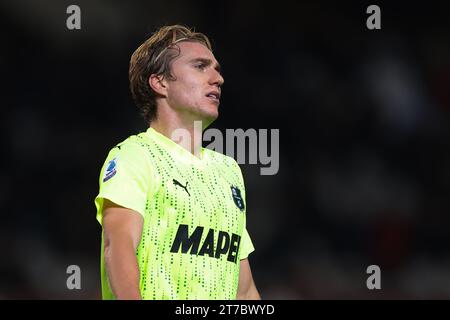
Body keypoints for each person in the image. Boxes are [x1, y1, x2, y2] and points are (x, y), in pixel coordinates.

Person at [94, 25, 260, 300]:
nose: (217, 78)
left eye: (217, 69)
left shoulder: (228, 171)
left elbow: (243, 287)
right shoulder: (136, 155)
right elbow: (118, 246)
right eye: (200, 66)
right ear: (160, 82)